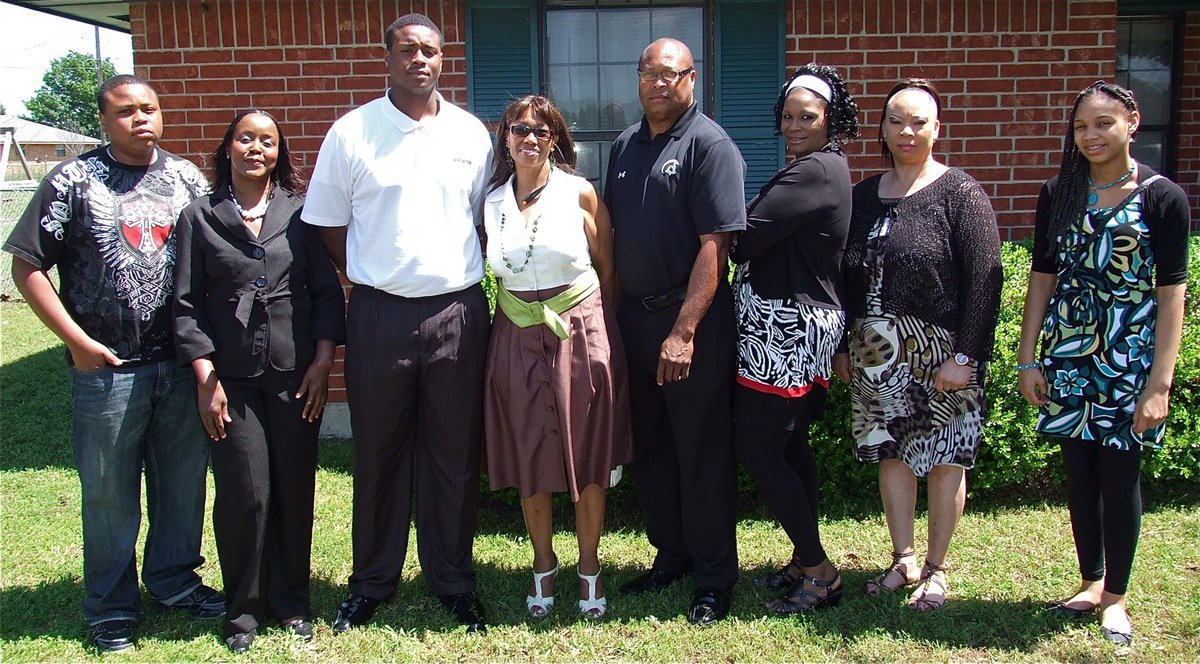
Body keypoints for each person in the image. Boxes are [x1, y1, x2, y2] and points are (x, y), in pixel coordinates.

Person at [2, 74, 225, 653]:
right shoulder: (71, 181)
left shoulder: (185, 180)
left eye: (149, 108)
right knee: (108, 493)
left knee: (181, 485)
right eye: (125, 111)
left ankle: (175, 582)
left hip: (178, 366)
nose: (140, 119)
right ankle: (110, 604)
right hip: (106, 370)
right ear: (103, 120)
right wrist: (76, 341)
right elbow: (26, 265)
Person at [302, 13, 493, 634]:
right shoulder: (352, 133)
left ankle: (452, 578)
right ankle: (373, 581)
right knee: (379, 454)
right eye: (408, 50)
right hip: (379, 314)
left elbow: (478, 219)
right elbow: (328, 223)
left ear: (445, 60)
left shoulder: (471, 135)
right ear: (387, 59)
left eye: (431, 51)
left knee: (454, 454)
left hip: (458, 312)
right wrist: (365, 273)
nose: (420, 60)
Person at [1016, 81, 1189, 646]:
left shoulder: (1163, 198)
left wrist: (1159, 383)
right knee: (1080, 475)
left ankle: (1117, 597)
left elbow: (1171, 295)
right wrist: (1028, 355)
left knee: (1119, 476)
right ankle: (1090, 582)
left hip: (1129, 359)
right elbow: (1043, 277)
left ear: (1132, 121)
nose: (1090, 136)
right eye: (1081, 126)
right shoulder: (1059, 192)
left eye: (1103, 123)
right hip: (1069, 354)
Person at [173, 110, 346, 653]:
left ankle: (292, 603)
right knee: (247, 495)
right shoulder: (199, 217)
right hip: (231, 379)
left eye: (267, 141)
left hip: (297, 376)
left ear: (279, 152)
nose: (256, 148)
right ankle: (242, 611)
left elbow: (324, 293)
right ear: (227, 149)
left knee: (295, 489)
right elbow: (184, 305)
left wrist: (322, 363)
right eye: (245, 139)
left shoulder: (300, 214)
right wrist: (206, 378)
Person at [832, 79, 1002, 612]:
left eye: (919, 122)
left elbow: (986, 278)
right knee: (892, 455)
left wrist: (967, 357)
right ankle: (903, 558)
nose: (907, 131)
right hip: (876, 352)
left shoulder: (960, 193)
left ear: (937, 129)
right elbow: (842, 279)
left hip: (942, 351)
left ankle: (937, 567)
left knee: (947, 459)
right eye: (897, 121)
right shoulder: (862, 196)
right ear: (882, 128)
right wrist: (841, 345)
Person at [605, 38, 747, 625]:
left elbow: (716, 246)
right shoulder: (623, 145)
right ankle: (672, 554)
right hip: (635, 323)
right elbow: (609, 246)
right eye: (648, 74)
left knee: (701, 451)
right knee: (654, 447)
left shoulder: (710, 146)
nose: (658, 84)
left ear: (692, 79)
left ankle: (714, 578)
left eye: (671, 74)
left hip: (690, 327)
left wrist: (683, 332)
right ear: (637, 79)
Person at [482, 95, 633, 620]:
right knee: (530, 450)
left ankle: (589, 567)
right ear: (505, 139)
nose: (529, 138)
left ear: (555, 140)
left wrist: (589, 329)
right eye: (518, 129)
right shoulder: (491, 201)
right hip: (514, 333)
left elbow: (607, 271)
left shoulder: (580, 194)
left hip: (579, 329)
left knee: (588, 449)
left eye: (540, 131)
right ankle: (543, 564)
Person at [730, 64, 858, 615]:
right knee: (788, 444)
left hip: (787, 326)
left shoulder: (814, 173)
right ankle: (803, 558)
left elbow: (745, 237)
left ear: (831, 118)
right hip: (796, 320)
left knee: (758, 447)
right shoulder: (822, 170)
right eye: (788, 115)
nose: (795, 125)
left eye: (808, 115)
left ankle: (819, 571)